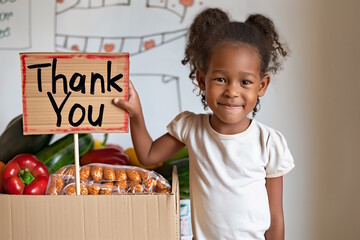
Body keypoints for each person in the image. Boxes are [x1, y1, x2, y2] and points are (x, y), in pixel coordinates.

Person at [113, 7, 295, 240]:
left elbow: (276, 217)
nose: (232, 91)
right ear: (202, 80)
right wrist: (136, 114)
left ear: (262, 86)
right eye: (221, 79)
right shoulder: (191, 128)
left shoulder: (269, 142)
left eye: (245, 82)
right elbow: (148, 155)